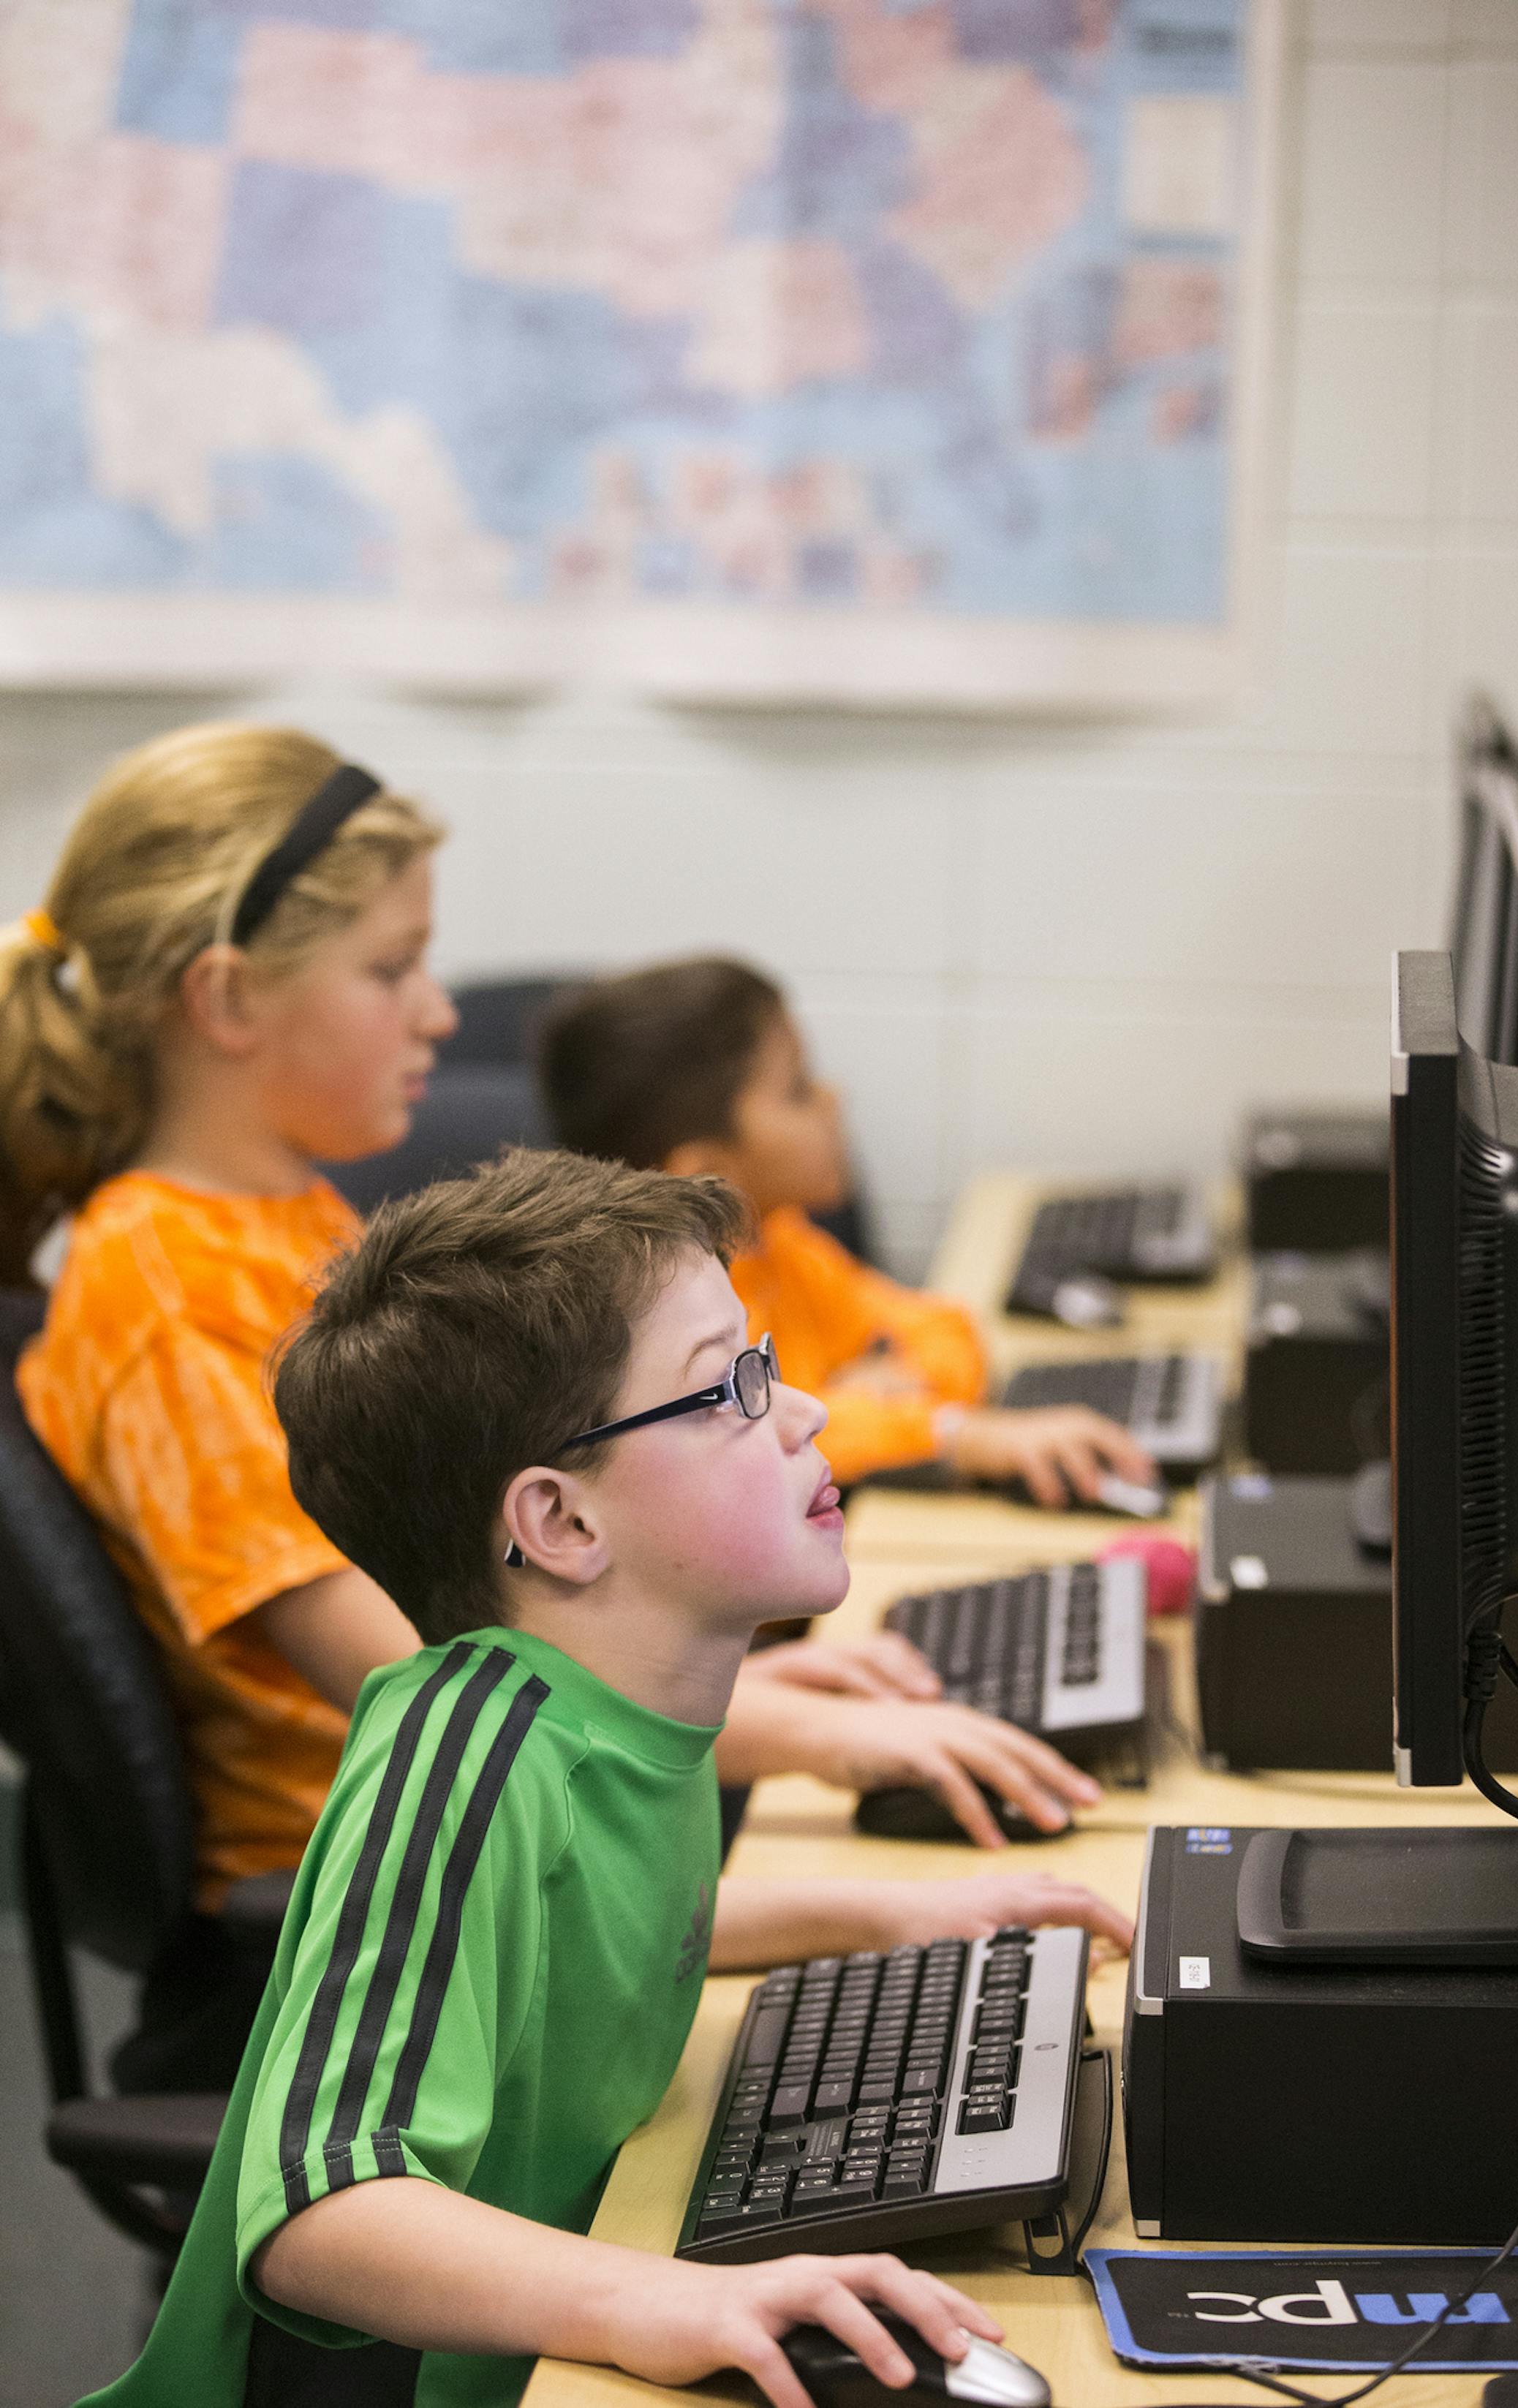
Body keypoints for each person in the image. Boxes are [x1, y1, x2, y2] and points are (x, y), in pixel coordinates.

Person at [4, 730, 1105, 2094]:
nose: (440, 1011)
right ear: (227, 1000)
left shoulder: (273, 1214)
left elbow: (503, 1614)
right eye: (391, 967)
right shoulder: (162, 1288)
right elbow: (425, 1676)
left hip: (516, 1833)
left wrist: (760, 1697)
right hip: (390, 1922)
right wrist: (808, 1738)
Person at [82, 1147, 1131, 2408]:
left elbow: (598, 1939)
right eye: (732, 1389)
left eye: (771, 1363)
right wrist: (666, 2297)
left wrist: (886, 1918)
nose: (802, 1413)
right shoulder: (463, 1756)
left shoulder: (630, 1707)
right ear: (563, 1523)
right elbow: (319, 2208)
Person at [540, 956, 1159, 1505]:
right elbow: (757, 1451)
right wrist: (943, 1431)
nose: (834, 1099)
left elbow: (944, 1330)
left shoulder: (775, 1241)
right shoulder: (667, 1326)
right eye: (799, 1090)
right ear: (706, 1172)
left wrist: (868, 1400)